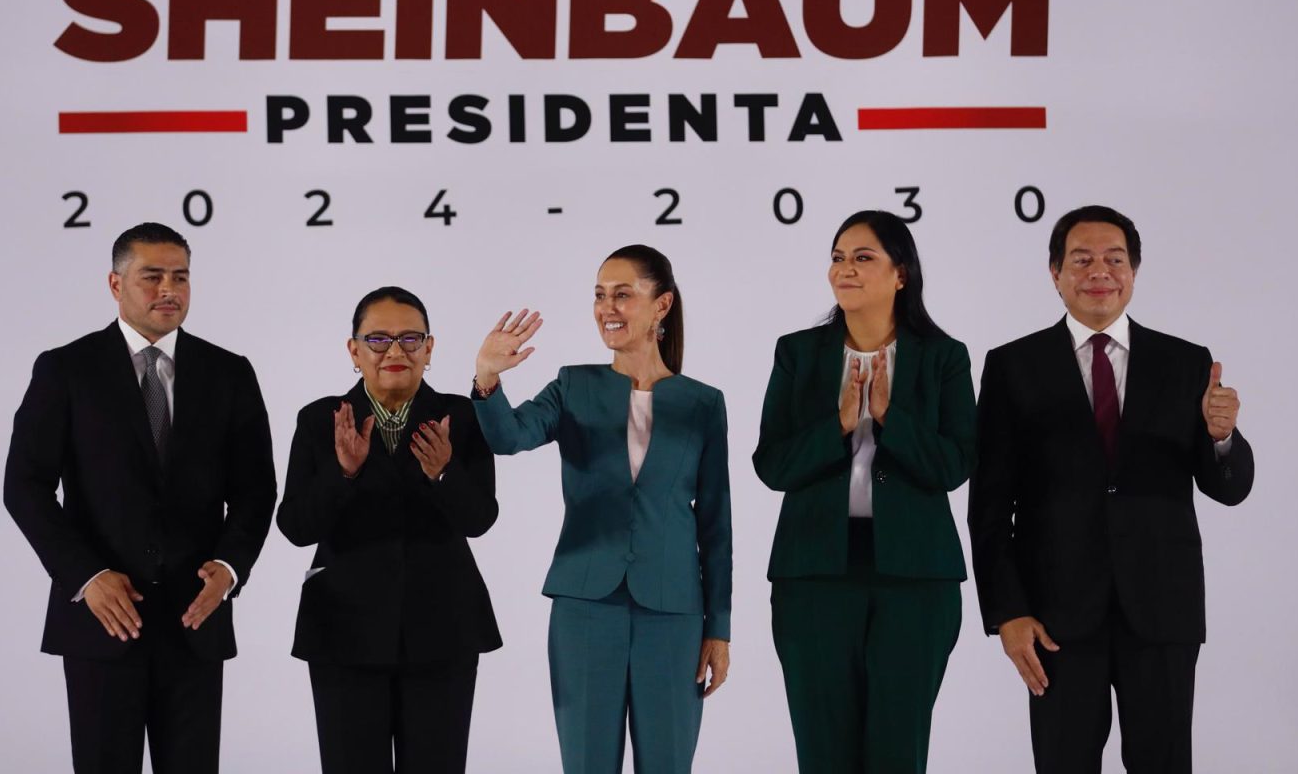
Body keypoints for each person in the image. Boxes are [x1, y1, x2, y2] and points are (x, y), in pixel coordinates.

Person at [968, 205, 1253, 774]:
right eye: (1082, 259)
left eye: (1114, 259)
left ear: (1134, 271)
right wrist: (1009, 612)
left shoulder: (1186, 363)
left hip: (1162, 609)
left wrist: (1222, 437)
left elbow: (1228, 487)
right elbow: (991, 506)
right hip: (1055, 619)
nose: (1100, 271)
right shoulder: (1012, 366)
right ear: (1055, 273)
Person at [3, 222, 276, 774]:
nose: (168, 290)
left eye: (180, 277)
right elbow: (24, 486)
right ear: (115, 283)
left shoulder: (229, 372)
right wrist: (85, 576)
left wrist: (229, 567)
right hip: (101, 623)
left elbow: (256, 490)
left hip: (194, 622)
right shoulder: (66, 369)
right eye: (152, 277)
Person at [472, 245, 731, 774]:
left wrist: (719, 628)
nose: (606, 307)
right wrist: (487, 379)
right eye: (598, 295)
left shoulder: (703, 403)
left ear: (661, 306)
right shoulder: (574, 386)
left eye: (622, 294)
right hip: (585, 608)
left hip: (675, 612)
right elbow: (509, 437)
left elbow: (717, 524)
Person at [753, 209, 977, 773]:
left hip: (915, 582)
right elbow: (772, 465)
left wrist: (888, 416)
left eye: (862, 257)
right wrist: (839, 424)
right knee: (823, 753)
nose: (844, 269)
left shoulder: (944, 356)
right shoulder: (797, 352)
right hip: (814, 578)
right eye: (837, 257)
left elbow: (954, 465)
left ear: (901, 273)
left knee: (897, 754)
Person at [277, 286, 501, 774]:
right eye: (377, 340)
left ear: (430, 348)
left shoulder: (461, 416)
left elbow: (481, 518)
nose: (395, 352)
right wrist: (344, 475)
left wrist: (444, 472)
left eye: (410, 339)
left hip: (443, 629)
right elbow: (294, 526)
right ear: (354, 351)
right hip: (343, 632)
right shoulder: (320, 420)